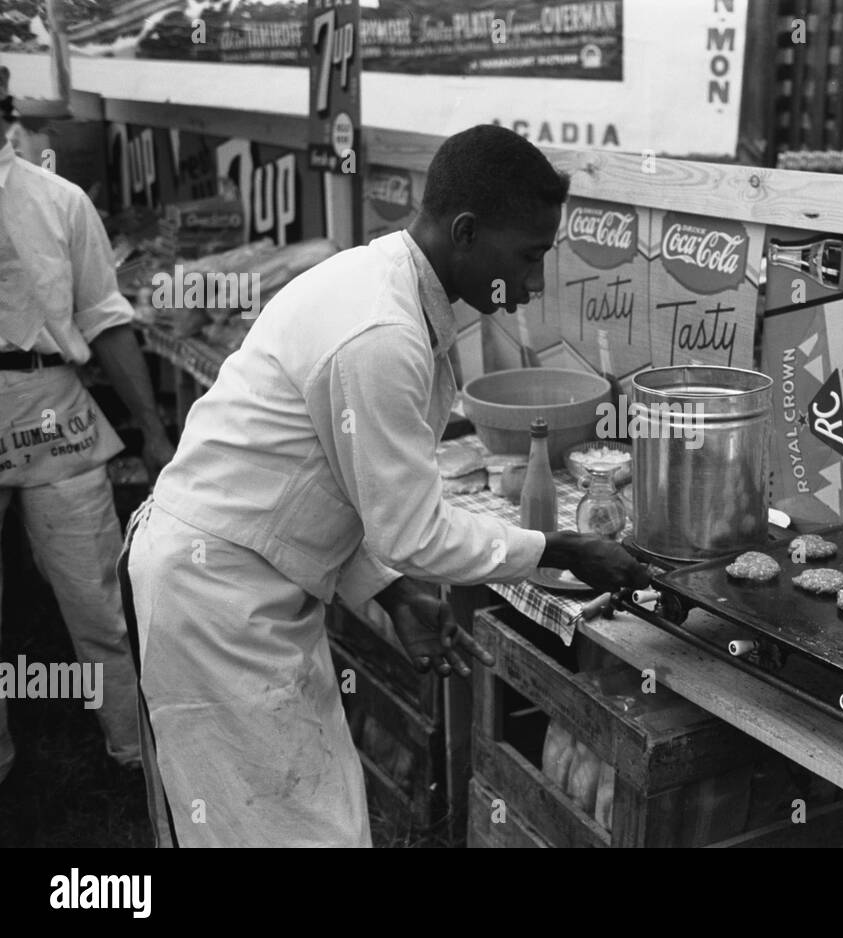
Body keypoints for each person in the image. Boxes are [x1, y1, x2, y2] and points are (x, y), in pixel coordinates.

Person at [120, 125, 650, 847]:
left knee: (309, 819)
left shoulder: (392, 295)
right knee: (279, 832)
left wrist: (392, 591)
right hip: (214, 599)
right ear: (465, 232)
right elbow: (414, 531)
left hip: (252, 585)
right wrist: (563, 549)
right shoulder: (380, 329)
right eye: (529, 257)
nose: (534, 284)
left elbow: (346, 484)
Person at [0, 74, 174, 787]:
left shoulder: (57, 200)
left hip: (51, 408)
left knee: (96, 597)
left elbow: (106, 319)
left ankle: (135, 754)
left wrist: (156, 435)